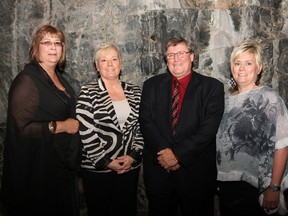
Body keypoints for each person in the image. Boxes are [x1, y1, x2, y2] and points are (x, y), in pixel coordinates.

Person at [0, 24, 81, 216]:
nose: (53, 47)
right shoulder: (27, 79)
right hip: (38, 171)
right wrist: (62, 126)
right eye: (46, 42)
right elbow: (22, 128)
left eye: (57, 43)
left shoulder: (59, 77)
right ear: (36, 47)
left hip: (59, 165)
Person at [139, 36, 225, 216]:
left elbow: (208, 129)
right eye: (170, 55)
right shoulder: (151, 85)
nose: (176, 59)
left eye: (181, 53)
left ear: (192, 56)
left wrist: (177, 155)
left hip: (195, 175)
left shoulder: (212, 87)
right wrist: (165, 152)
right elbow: (146, 122)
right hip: (159, 172)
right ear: (166, 60)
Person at [216, 40, 288, 216]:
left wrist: (274, 186)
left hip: (258, 186)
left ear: (259, 68)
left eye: (248, 63)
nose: (241, 68)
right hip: (227, 184)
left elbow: (282, 145)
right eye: (237, 63)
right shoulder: (224, 101)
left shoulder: (269, 98)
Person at [76, 42, 144, 216]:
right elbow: (85, 131)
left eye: (114, 59)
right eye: (104, 60)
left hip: (129, 167)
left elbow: (142, 126)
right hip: (98, 169)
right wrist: (106, 162)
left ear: (120, 63)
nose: (110, 64)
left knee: (126, 209)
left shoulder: (135, 91)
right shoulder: (88, 91)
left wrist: (133, 156)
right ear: (97, 67)